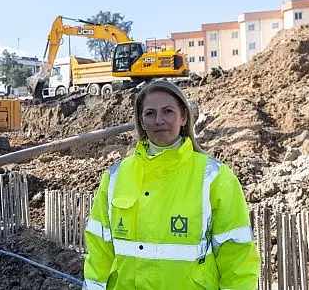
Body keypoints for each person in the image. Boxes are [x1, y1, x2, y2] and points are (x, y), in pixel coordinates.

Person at [82, 80, 260, 289]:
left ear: (183, 116)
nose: (159, 120)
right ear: (141, 120)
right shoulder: (115, 176)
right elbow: (99, 253)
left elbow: (237, 256)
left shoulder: (214, 177)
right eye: (150, 113)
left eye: (168, 111)